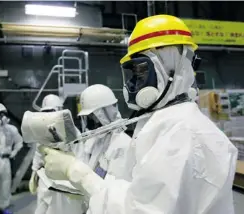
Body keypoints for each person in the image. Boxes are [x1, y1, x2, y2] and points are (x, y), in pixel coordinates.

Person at [39, 15, 238, 214]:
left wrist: (77, 173)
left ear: (175, 67)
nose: (133, 83)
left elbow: (140, 210)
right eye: (132, 73)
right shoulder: (164, 123)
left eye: (142, 71)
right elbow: (138, 194)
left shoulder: (182, 133)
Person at [28, 94, 84, 214]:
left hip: (65, 182)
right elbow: (38, 152)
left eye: (51, 111)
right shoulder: (42, 130)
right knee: (42, 208)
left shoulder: (71, 130)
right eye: (46, 111)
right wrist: (34, 173)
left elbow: (80, 156)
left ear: (59, 110)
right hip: (45, 180)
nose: (48, 115)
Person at [77, 84, 132, 182]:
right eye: (88, 116)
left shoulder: (122, 146)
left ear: (103, 113)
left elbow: (114, 188)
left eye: (92, 115)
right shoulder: (94, 141)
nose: (91, 119)